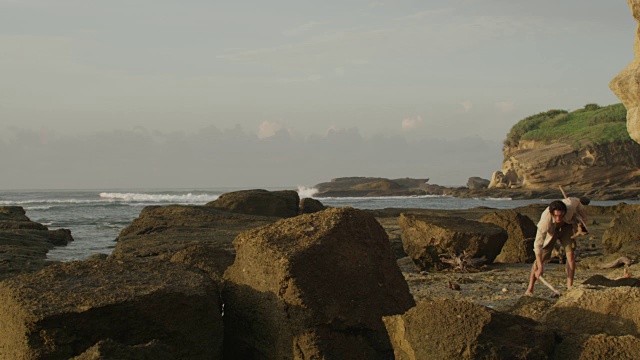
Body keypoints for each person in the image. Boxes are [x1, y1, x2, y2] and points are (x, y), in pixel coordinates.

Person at [524, 197, 589, 295]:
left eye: (561, 215)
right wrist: (541, 267)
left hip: (566, 227)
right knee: (540, 260)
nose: (558, 218)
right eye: (556, 216)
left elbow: (578, 202)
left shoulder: (570, 205)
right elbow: (537, 245)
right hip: (552, 231)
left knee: (570, 256)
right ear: (551, 213)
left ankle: (569, 286)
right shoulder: (544, 221)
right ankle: (530, 288)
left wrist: (584, 218)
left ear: (564, 212)